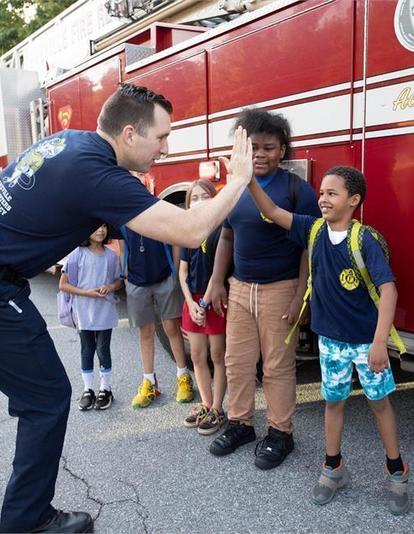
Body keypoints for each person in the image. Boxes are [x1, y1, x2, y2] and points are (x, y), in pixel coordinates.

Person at [0, 83, 255, 533]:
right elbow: (190, 232)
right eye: (161, 137)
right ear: (129, 134)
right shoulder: (98, 175)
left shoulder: (69, 142)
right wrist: (238, 179)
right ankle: (27, 520)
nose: (165, 149)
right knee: (45, 398)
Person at [246, 165, 410, 513]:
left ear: (354, 200)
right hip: (331, 343)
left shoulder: (364, 239)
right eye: (321, 192)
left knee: (379, 404)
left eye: (332, 193)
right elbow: (272, 212)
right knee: (333, 403)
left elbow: (388, 290)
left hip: (367, 344)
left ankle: (397, 472)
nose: (322, 198)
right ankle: (333, 468)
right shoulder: (313, 229)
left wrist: (381, 342)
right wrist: (247, 179)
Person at [206, 108, 320, 470]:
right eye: (253, 147)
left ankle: (280, 432)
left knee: (277, 368)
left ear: (282, 150)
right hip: (239, 288)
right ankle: (241, 424)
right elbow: (226, 234)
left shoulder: (296, 190)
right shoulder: (235, 188)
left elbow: (309, 245)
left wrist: (302, 294)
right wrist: (216, 282)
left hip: (280, 288)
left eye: (268, 147)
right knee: (236, 363)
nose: (259, 154)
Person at [120, 204, 194, 409]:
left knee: (171, 327)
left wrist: (176, 271)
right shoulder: (123, 214)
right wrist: (125, 275)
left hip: (164, 276)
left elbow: (175, 239)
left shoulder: (157, 210)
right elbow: (123, 246)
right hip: (136, 279)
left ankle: (183, 376)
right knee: (145, 332)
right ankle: (149, 382)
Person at [177, 179, 227, 435]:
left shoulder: (221, 230)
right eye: (193, 198)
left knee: (218, 356)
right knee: (197, 356)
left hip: (213, 302)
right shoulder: (189, 234)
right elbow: (182, 272)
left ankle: (218, 408)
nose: (198, 202)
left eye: (204, 196)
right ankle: (206, 404)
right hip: (193, 302)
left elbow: (218, 273)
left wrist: (204, 303)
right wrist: (189, 302)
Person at [58, 223, 121, 411]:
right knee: (87, 349)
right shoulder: (76, 255)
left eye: (103, 227)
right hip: (83, 311)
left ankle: (105, 388)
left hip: (104, 310)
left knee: (103, 350)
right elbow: (63, 285)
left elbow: (119, 282)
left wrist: (109, 287)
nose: (100, 231)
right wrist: (87, 293)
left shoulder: (111, 256)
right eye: (95, 227)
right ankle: (88, 389)